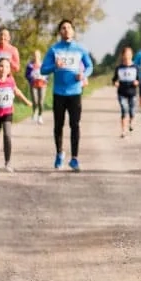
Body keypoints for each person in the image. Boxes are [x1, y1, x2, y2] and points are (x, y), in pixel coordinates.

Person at [40, 19, 93, 171]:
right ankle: (59, 153)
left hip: (75, 92)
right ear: (60, 32)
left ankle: (74, 158)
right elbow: (43, 70)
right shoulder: (54, 49)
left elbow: (90, 66)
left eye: (69, 27)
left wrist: (83, 74)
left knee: (75, 125)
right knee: (58, 125)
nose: (66, 30)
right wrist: (54, 66)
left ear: (73, 31)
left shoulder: (80, 49)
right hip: (59, 93)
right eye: (63, 28)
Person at [112, 46, 140, 138]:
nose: (127, 56)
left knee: (132, 111)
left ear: (131, 55)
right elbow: (114, 79)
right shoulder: (119, 68)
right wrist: (115, 83)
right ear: (123, 55)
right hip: (122, 92)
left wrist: (137, 82)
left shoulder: (135, 67)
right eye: (126, 54)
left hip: (132, 92)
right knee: (124, 110)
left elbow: (139, 79)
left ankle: (131, 123)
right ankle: (123, 131)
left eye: (129, 54)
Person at [24, 49, 48, 124]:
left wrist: (45, 79)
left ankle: (40, 116)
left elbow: (47, 73)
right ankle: (34, 111)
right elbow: (26, 75)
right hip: (33, 84)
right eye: (35, 55)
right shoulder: (30, 65)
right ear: (33, 56)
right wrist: (31, 78)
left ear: (40, 56)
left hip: (42, 84)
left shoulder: (43, 64)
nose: (36, 56)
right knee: (35, 100)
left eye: (37, 55)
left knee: (41, 101)